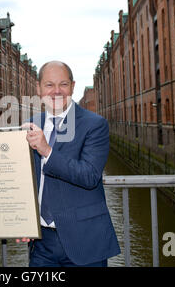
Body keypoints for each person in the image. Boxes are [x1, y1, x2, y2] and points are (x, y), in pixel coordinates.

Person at [23, 60, 120, 267]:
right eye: (49, 85)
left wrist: (46, 150)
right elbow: (22, 178)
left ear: (73, 87)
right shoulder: (31, 124)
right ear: (39, 88)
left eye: (63, 84)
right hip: (41, 243)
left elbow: (89, 175)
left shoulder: (95, 124)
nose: (56, 91)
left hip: (84, 239)